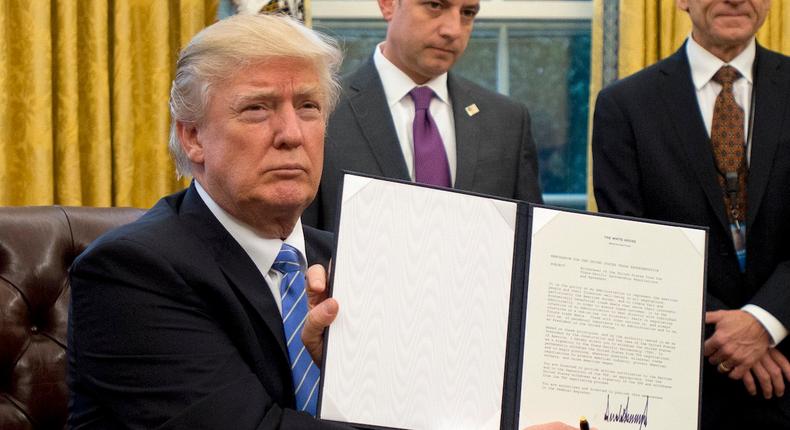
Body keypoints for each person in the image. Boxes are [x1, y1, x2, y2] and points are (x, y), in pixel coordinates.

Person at [67, 12, 580, 430]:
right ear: (195, 137)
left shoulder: (352, 260)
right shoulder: (130, 271)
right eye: (257, 109)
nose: (291, 133)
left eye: (309, 107)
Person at [592, 1, 790, 429]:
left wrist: (765, 320)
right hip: (679, 379)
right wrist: (726, 335)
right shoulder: (623, 106)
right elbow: (628, 247)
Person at [301, 0, 543, 230]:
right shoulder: (321, 111)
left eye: (468, 13)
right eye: (435, 5)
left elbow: (530, 246)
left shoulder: (507, 121)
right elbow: (302, 240)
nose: (453, 30)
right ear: (388, 4)